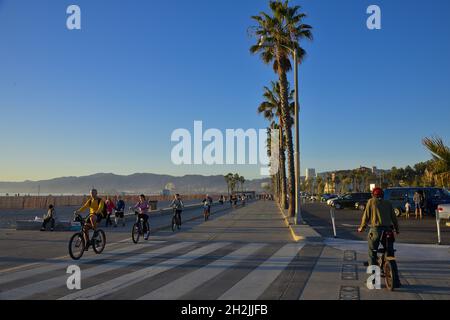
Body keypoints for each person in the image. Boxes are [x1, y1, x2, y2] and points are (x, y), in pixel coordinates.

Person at [358, 187, 400, 275]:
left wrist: (362, 227)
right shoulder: (388, 203)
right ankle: (395, 278)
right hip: (388, 230)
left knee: (372, 253)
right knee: (390, 252)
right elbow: (394, 218)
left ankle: (373, 280)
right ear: (383, 195)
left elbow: (366, 216)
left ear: (373, 195)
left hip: (376, 230)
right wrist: (397, 229)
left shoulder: (371, 201)